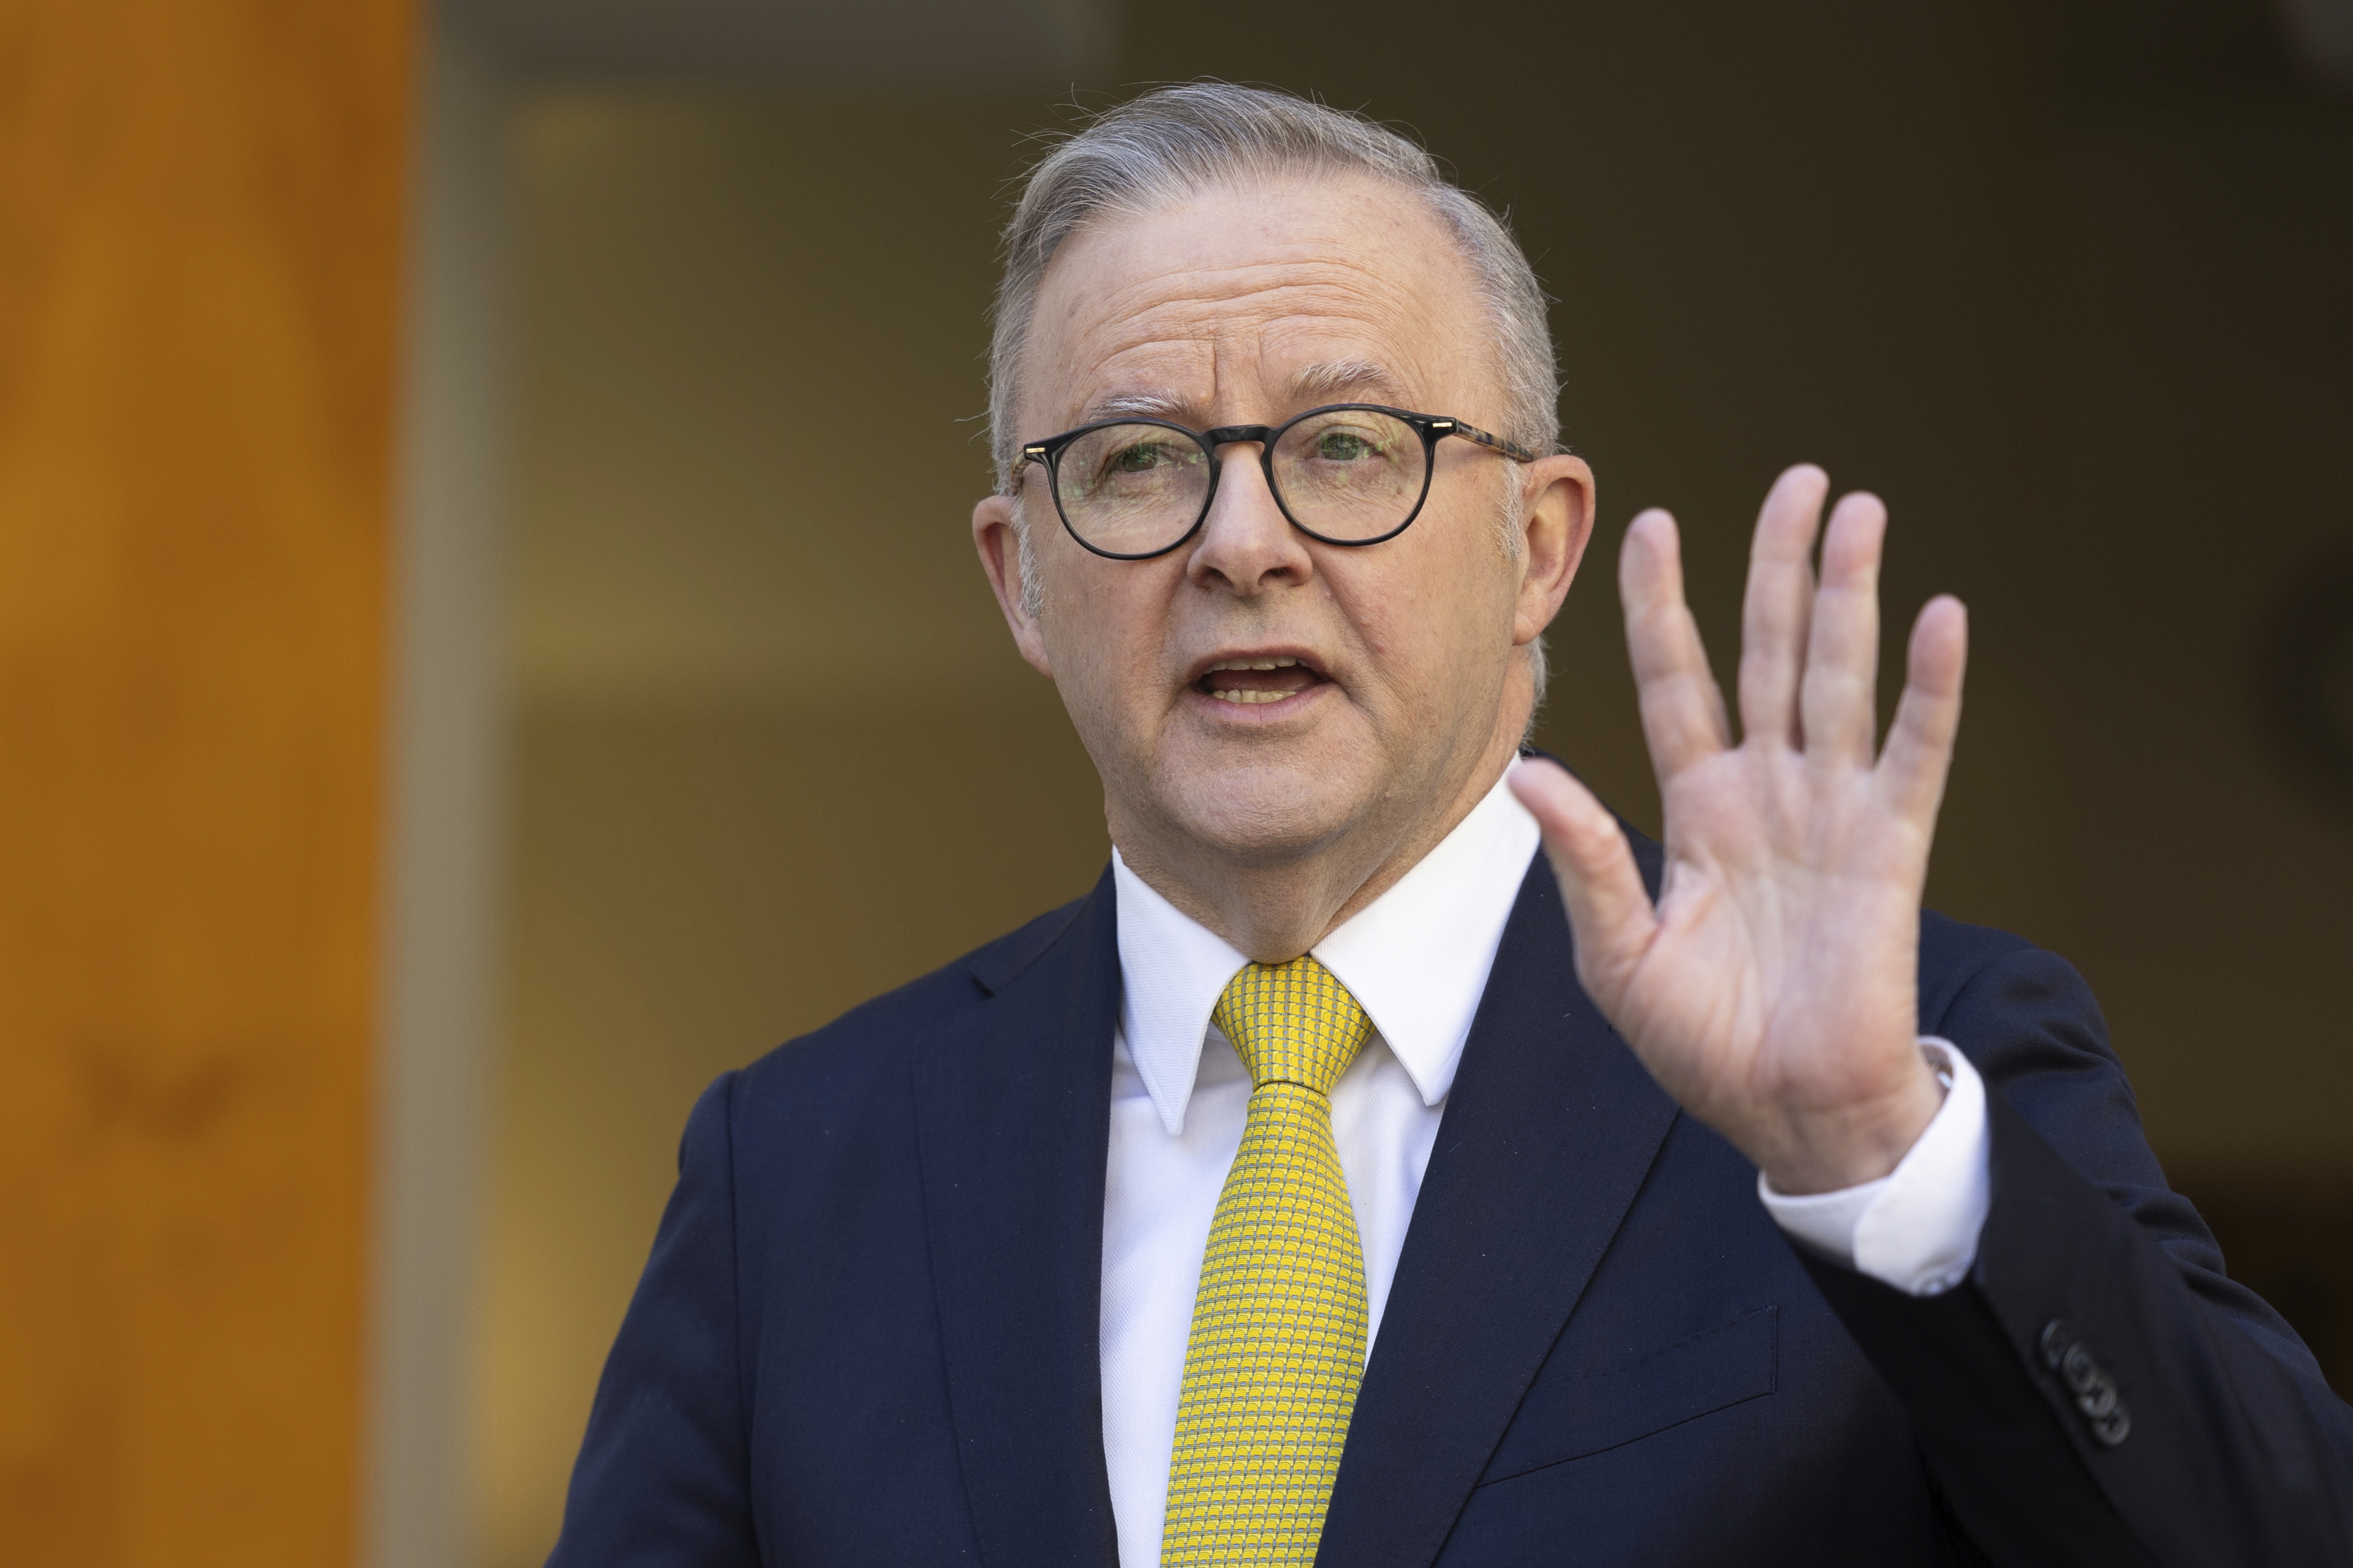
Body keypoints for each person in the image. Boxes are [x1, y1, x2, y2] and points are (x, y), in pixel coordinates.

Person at [546, 84, 2352, 1567]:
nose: (1238, 544)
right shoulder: (797, 1171)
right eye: (1135, 463)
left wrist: (1871, 1154)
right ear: (1021, 583)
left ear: (1537, 547)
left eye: (1345, 446)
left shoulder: (1899, 1071)